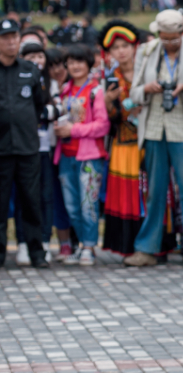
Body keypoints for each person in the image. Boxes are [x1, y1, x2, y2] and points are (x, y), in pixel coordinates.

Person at [124, 9, 183, 267]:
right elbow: (134, 93)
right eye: (165, 39)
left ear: (182, 33)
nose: (170, 44)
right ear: (158, 34)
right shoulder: (147, 51)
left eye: (174, 39)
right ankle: (146, 249)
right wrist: (148, 88)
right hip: (153, 126)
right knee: (154, 191)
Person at [0, 17, 50, 268]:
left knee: (31, 201)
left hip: (28, 147)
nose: (10, 42)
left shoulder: (29, 70)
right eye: (5, 38)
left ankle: (36, 252)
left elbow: (38, 105)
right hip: (1, 150)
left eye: (14, 37)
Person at [55, 43, 109, 266]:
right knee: (71, 205)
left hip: (89, 158)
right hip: (66, 156)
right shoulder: (63, 90)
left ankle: (89, 246)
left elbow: (102, 125)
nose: (75, 66)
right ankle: (80, 245)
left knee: (88, 204)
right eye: (71, 62)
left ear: (89, 64)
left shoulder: (96, 91)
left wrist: (73, 130)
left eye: (80, 61)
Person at [99, 20, 146, 255]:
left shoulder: (148, 73)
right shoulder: (110, 80)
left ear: (135, 46)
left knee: (151, 191)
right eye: (115, 47)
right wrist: (108, 102)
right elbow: (111, 120)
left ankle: (155, 244)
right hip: (124, 144)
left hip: (149, 142)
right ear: (109, 53)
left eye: (125, 45)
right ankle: (127, 245)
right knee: (127, 194)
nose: (121, 51)